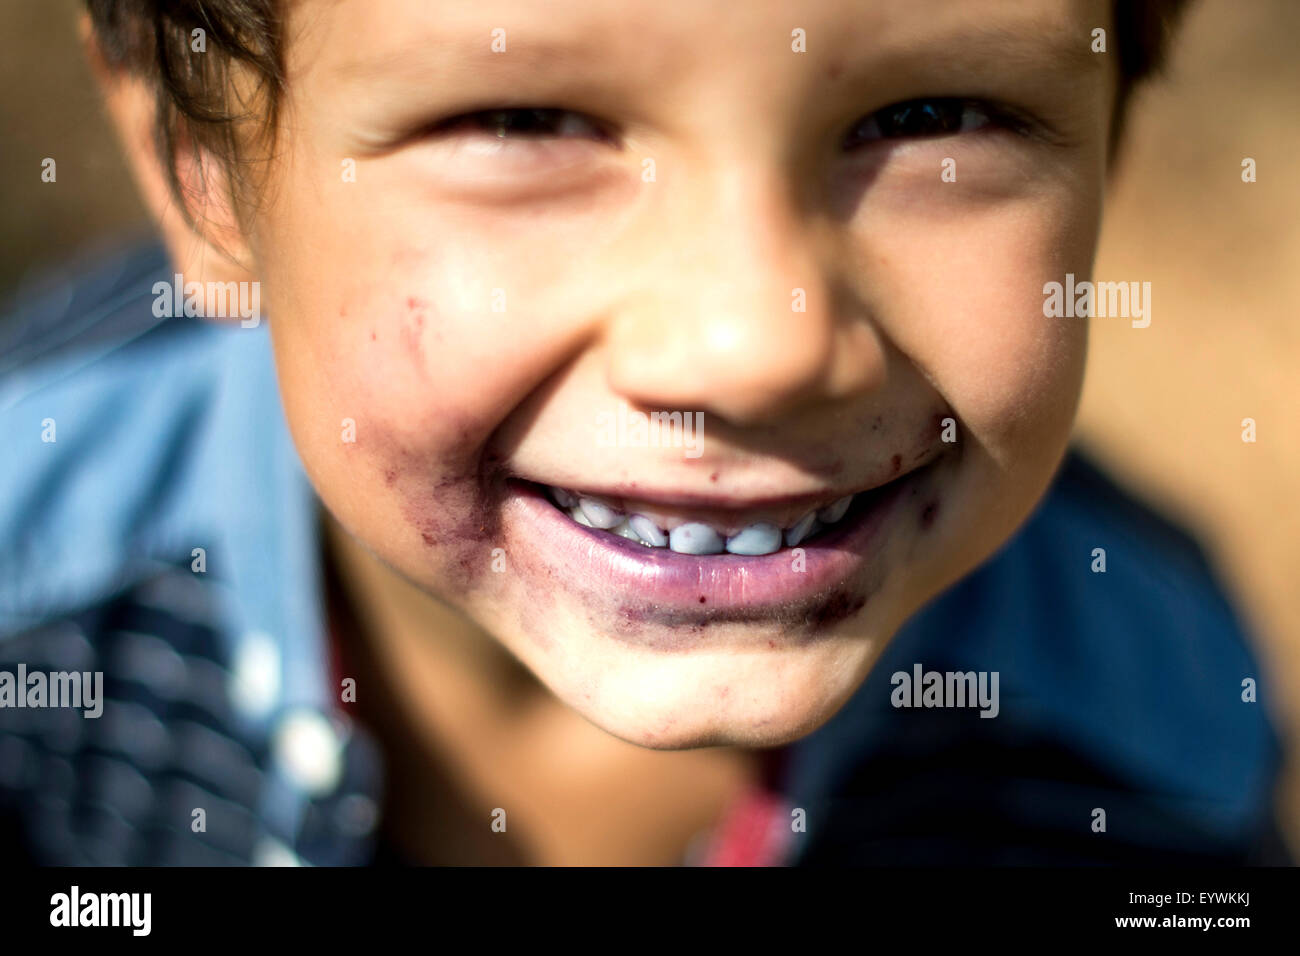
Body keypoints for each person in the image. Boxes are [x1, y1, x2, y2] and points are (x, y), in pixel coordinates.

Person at [0, 0, 1289, 865]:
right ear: (199, 168)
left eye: (932, 118)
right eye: (524, 123)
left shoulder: (1150, 741)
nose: (757, 347)